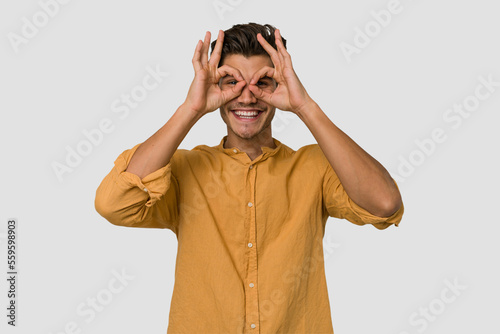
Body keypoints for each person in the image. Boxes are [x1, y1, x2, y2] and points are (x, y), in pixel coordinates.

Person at [95, 22, 404, 334]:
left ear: (279, 85)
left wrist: (305, 106)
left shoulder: (314, 168)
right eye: (231, 82)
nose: (246, 97)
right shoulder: (183, 171)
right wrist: (191, 108)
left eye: (262, 83)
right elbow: (114, 203)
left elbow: (384, 203)